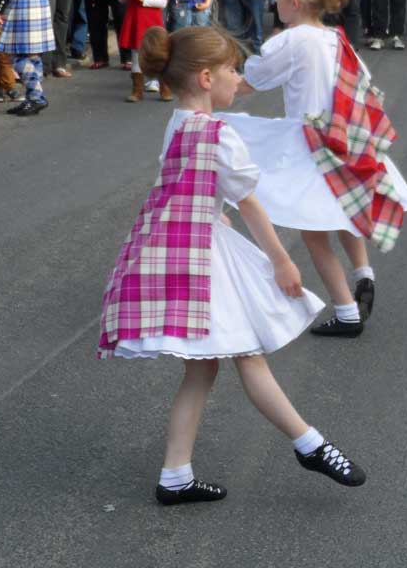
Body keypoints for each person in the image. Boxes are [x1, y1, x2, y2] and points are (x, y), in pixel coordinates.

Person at [96, 25, 364, 503]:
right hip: (201, 256)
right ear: (204, 78)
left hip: (176, 245)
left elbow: (179, 181)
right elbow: (251, 204)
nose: (239, 79)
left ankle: (176, 475)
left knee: (204, 370)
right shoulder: (220, 133)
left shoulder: (179, 122)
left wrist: (210, 206)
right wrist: (281, 260)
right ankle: (309, 443)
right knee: (246, 354)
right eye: (231, 71)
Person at [229, 0, 407, 338]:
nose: (274, 1)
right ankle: (363, 273)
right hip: (345, 135)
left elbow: (253, 80)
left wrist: (212, 81)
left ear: (295, 1)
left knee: (313, 232)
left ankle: (347, 312)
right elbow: (361, 82)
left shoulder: (290, 39)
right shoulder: (336, 38)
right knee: (340, 210)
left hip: (311, 142)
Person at [120, 0, 170, 102]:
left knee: (157, 54)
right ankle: (137, 89)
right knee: (136, 54)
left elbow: (163, 2)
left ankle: (165, 87)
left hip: (152, 22)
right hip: (135, 19)